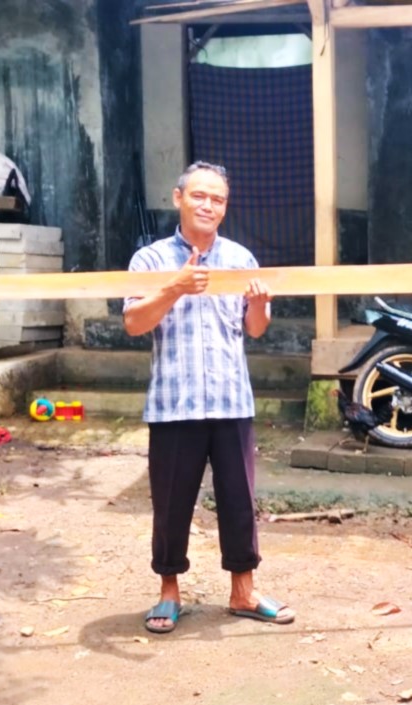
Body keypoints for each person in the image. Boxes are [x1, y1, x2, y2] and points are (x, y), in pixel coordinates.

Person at [123, 161, 293, 633]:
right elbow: (135, 323)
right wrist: (175, 287)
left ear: (225, 207)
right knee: (171, 502)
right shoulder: (151, 260)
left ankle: (243, 591)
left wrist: (259, 302)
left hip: (231, 400)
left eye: (217, 199)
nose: (208, 206)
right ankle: (168, 593)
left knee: (239, 501)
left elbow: (254, 329)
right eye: (199, 196)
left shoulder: (241, 259)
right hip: (175, 403)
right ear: (178, 198)